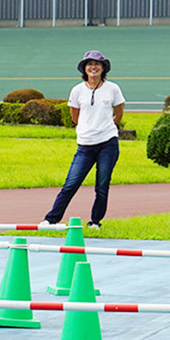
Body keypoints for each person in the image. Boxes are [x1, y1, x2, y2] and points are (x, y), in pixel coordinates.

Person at [40, 49, 127, 230]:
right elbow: (75, 116)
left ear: (103, 68)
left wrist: (105, 127)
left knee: (102, 185)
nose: (93, 67)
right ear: (84, 69)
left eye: (97, 64)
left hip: (107, 144)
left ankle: (95, 222)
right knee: (70, 184)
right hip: (85, 145)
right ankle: (51, 219)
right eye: (89, 64)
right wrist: (86, 129)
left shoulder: (113, 88)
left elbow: (118, 113)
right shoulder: (77, 90)